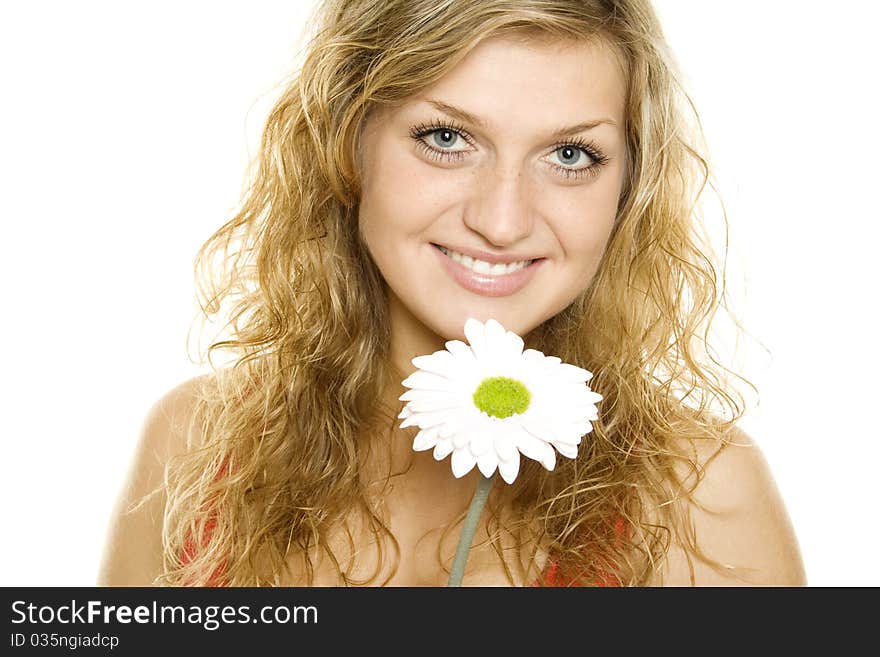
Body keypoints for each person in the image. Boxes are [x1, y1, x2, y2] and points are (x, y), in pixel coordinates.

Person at [97, 0, 806, 587]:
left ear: (627, 187)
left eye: (569, 156)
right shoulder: (194, 449)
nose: (502, 221)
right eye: (446, 138)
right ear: (347, 141)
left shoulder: (701, 496)